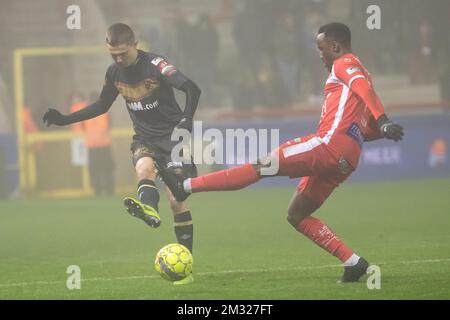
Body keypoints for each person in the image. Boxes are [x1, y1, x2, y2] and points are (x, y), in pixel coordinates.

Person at [155, 22, 404, 283]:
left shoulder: (345, 63)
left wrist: (384, 119)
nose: (319, 54)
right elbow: (366, 125)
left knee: (262, 166)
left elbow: (364, 89)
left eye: (321, 48)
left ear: (335, 46)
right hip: (346, 159)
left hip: (328, 145)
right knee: (297, 215)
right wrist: (380, 127)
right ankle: (353, 262)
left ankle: (185, 185)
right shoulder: (357, 72)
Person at [42, 23, 201, 285]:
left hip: (173, 137)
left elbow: (192, 89)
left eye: (123, 53)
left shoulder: (157, 65)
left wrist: (187, 119)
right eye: (112, 54)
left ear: (135, 44)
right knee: (143, 169)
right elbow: (102, 105)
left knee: (177, 199)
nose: (118, 59)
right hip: (145, 137)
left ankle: (186, 265)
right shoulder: (114, 72)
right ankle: (149, 209)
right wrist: (64, 119)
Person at [70, 92, 115, 196]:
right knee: (107, 168)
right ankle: (109, 189)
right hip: (104, 145)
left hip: (92, 146)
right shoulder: (105, 112)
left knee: (95, 169)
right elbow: (110, 125)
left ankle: (97, 190)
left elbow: (81, 127)